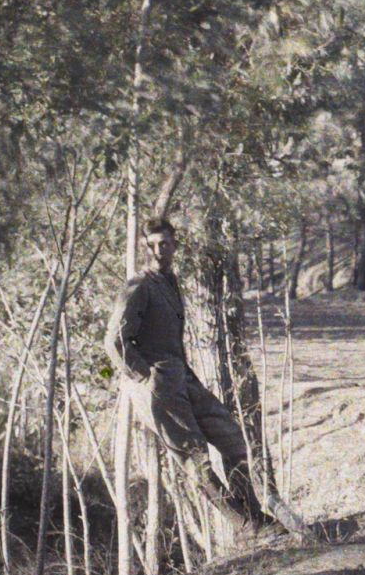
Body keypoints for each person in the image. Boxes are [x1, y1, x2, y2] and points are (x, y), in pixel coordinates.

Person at [105, 216, 284, 537]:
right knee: (196, 458)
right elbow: (115, 341)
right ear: (144, 249)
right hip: (158, 384)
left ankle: (255, 514)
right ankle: (247, 526)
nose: (159, 251)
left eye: (165, 244)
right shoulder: (139, 286)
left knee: (232, 437)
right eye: (152, 246)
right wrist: (146, 376)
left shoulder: (169, 283)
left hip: (182, 376)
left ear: (175, 246)